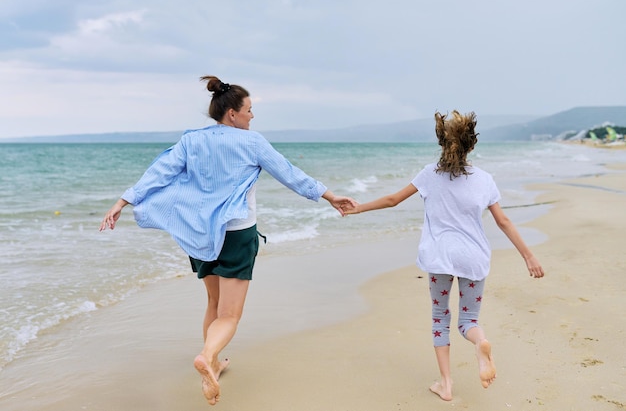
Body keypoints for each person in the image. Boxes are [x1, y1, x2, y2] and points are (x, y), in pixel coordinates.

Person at [99, 75, 355, 406]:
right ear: (232, 113)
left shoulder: (191, 141)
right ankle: (207, 356)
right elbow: (291, 174)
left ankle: (215, 363)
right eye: (248, 110)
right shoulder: (253, 143)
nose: (252, 116)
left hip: (201, 234)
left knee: (213, 304)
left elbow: (158, 172)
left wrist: (122, 202)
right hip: (236, 233)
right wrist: (331, 197)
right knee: (230, 315)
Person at [341, 110, 544, 401]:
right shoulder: (484, 179)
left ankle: (446, 385)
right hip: (473, 258)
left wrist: (357, 208)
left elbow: (392, 200)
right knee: (468, 320)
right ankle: (480, 342)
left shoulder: (429, 175)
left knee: (440, 317)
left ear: (442, 143)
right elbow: (503, 222)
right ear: (471, 145)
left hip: (439, 257)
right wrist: (528, 257)